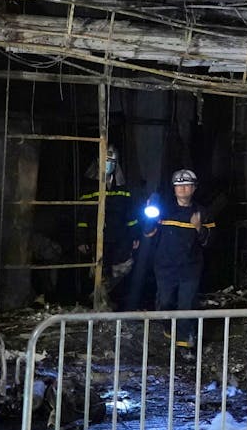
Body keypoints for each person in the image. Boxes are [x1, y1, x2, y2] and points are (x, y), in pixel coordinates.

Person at [147, 169, 214, 347]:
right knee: (166, 301)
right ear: (174, 189)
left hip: (190, 267)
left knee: (187, 303)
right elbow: (148, 233)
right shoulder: (163, 210)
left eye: (186, 185)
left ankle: (185, 342)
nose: (183, 189)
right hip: (165, 266)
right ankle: (168, 327)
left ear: (194, 188)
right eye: (179, 186)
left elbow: (210, 241)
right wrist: (149, 217)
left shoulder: (201, 212)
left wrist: (199, 227)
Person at [75, 144, 139, 308]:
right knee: (98, 272)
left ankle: (110, 301)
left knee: (123, 268)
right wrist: (81, 239)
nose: (108, 163)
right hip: (97, 238)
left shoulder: (123, 188)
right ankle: (98, 304)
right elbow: (83, 216)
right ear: (98, 162)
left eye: (111, 160)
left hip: (120, 238)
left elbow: (130, 215)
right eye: (105, 160)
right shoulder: (90, 188)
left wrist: (135, 236)